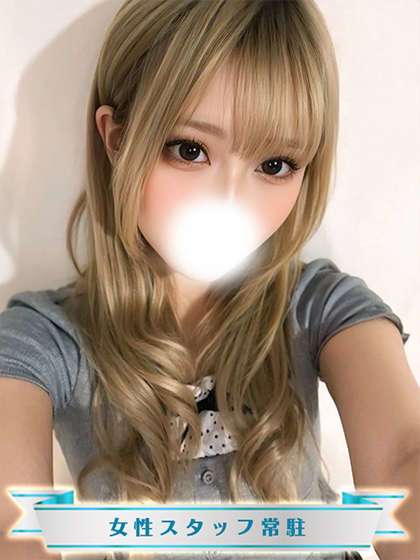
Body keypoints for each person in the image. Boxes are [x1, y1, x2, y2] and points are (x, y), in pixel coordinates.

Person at [0, 1, 417, 560]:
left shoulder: (321, 308)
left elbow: (402, 455)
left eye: (275, 165)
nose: (230, 202)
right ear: (117, 139)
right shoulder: (44, 341)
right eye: (190, 150)